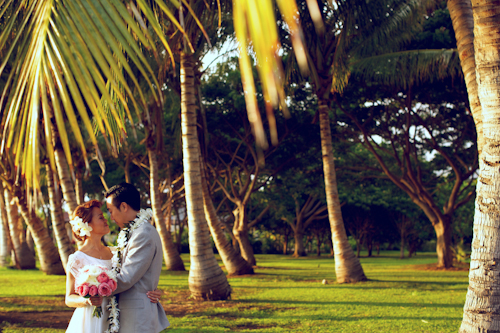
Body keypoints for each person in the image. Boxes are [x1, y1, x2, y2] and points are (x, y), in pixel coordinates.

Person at [65, 199, 163, 333]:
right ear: (87, 224)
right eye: (101, 217)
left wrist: (152, 289)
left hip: (118, 316)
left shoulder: (115, 252)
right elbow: (69, 298)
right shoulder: (77, 259)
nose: (107, 220)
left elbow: (132, 274)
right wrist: (87, 300)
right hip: (91, 320)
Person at [105, 183, 170, 333]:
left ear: (123, 206)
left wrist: (96, 288)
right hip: (130, 313)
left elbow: (127, 278)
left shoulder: (143, 234)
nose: (111, 217)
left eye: (111, 211)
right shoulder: (131, 233)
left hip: (136, 316)